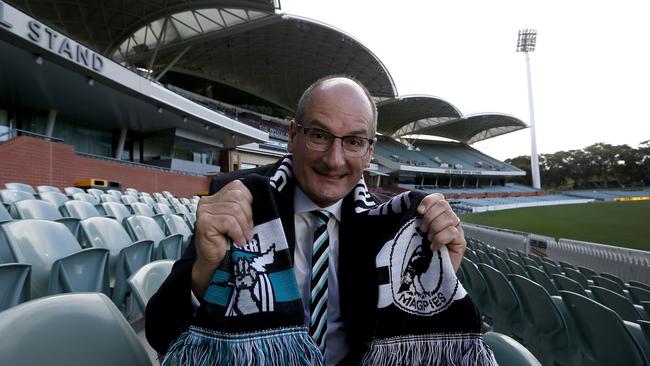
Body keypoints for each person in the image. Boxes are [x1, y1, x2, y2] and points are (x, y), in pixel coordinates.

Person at [145, 76, 466, 365]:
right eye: (319, 135)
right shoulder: (237, 197)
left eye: (353, 141)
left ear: (369, 153)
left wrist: (440, 274)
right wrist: (206, 267)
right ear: (293, 135)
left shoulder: (396, 228)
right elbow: (160, 333)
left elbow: (408, 349)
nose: (334, 159)